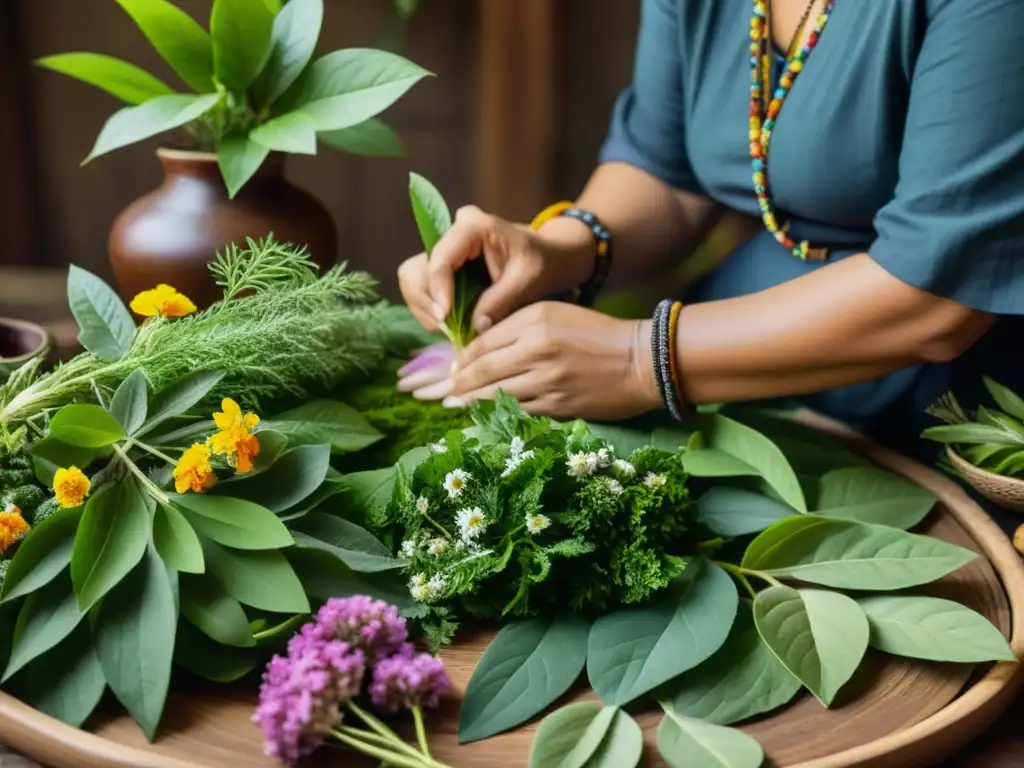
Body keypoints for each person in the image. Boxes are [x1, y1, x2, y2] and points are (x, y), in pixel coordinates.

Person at [396, 0, 1024, 453]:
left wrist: (635, 360)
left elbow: (937, 298)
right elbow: (667, 173)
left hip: (967, 419)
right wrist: (560, 249)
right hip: (737, 385)